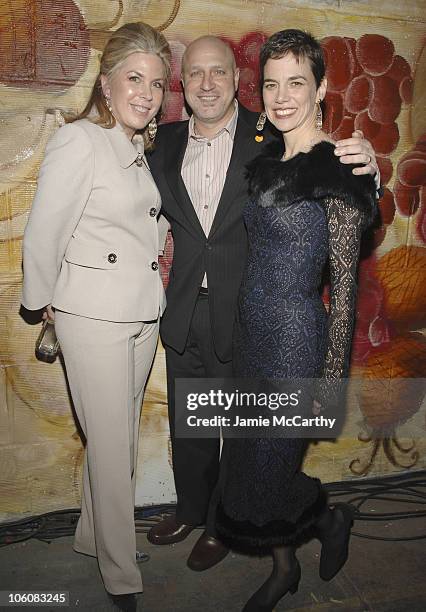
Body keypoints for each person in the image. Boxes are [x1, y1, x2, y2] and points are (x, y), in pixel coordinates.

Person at [147, 34, 380, 572]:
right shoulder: (166, 141)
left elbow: (340, 193)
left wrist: (371, 166)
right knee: (202, 427)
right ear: (183, 84)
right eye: (196, 73)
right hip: (199, 315)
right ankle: (204, 517)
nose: (208, 84)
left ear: (236, 80)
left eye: (219, 72)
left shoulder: (263, 134)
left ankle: (245, 526)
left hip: (270, 325)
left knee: (258, 450)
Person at [211, 29, 377, 611]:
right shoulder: (264, 164)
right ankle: (287, 565)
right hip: (253, 337)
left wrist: (330, 382)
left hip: (296, 343)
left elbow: (346, 287)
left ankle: (330, 521)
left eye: (296, 84)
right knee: (253, 464)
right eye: (272, 84)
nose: (282, 98)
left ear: (322, 88)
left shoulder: (338, 172)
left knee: (274, 467)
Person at [21, 22, 171, 610]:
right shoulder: (80, 140)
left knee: (117, 438)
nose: (146, 93)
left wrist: (162, 237)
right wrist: (44, 302)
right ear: (106, 83)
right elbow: (43, 231)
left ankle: (91, 537)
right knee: (113, 449)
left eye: (157, 84)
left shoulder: (136, 146)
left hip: (138, 312)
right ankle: (120, 573)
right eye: (134, 78)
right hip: (92, 316)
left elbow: (134, 220)